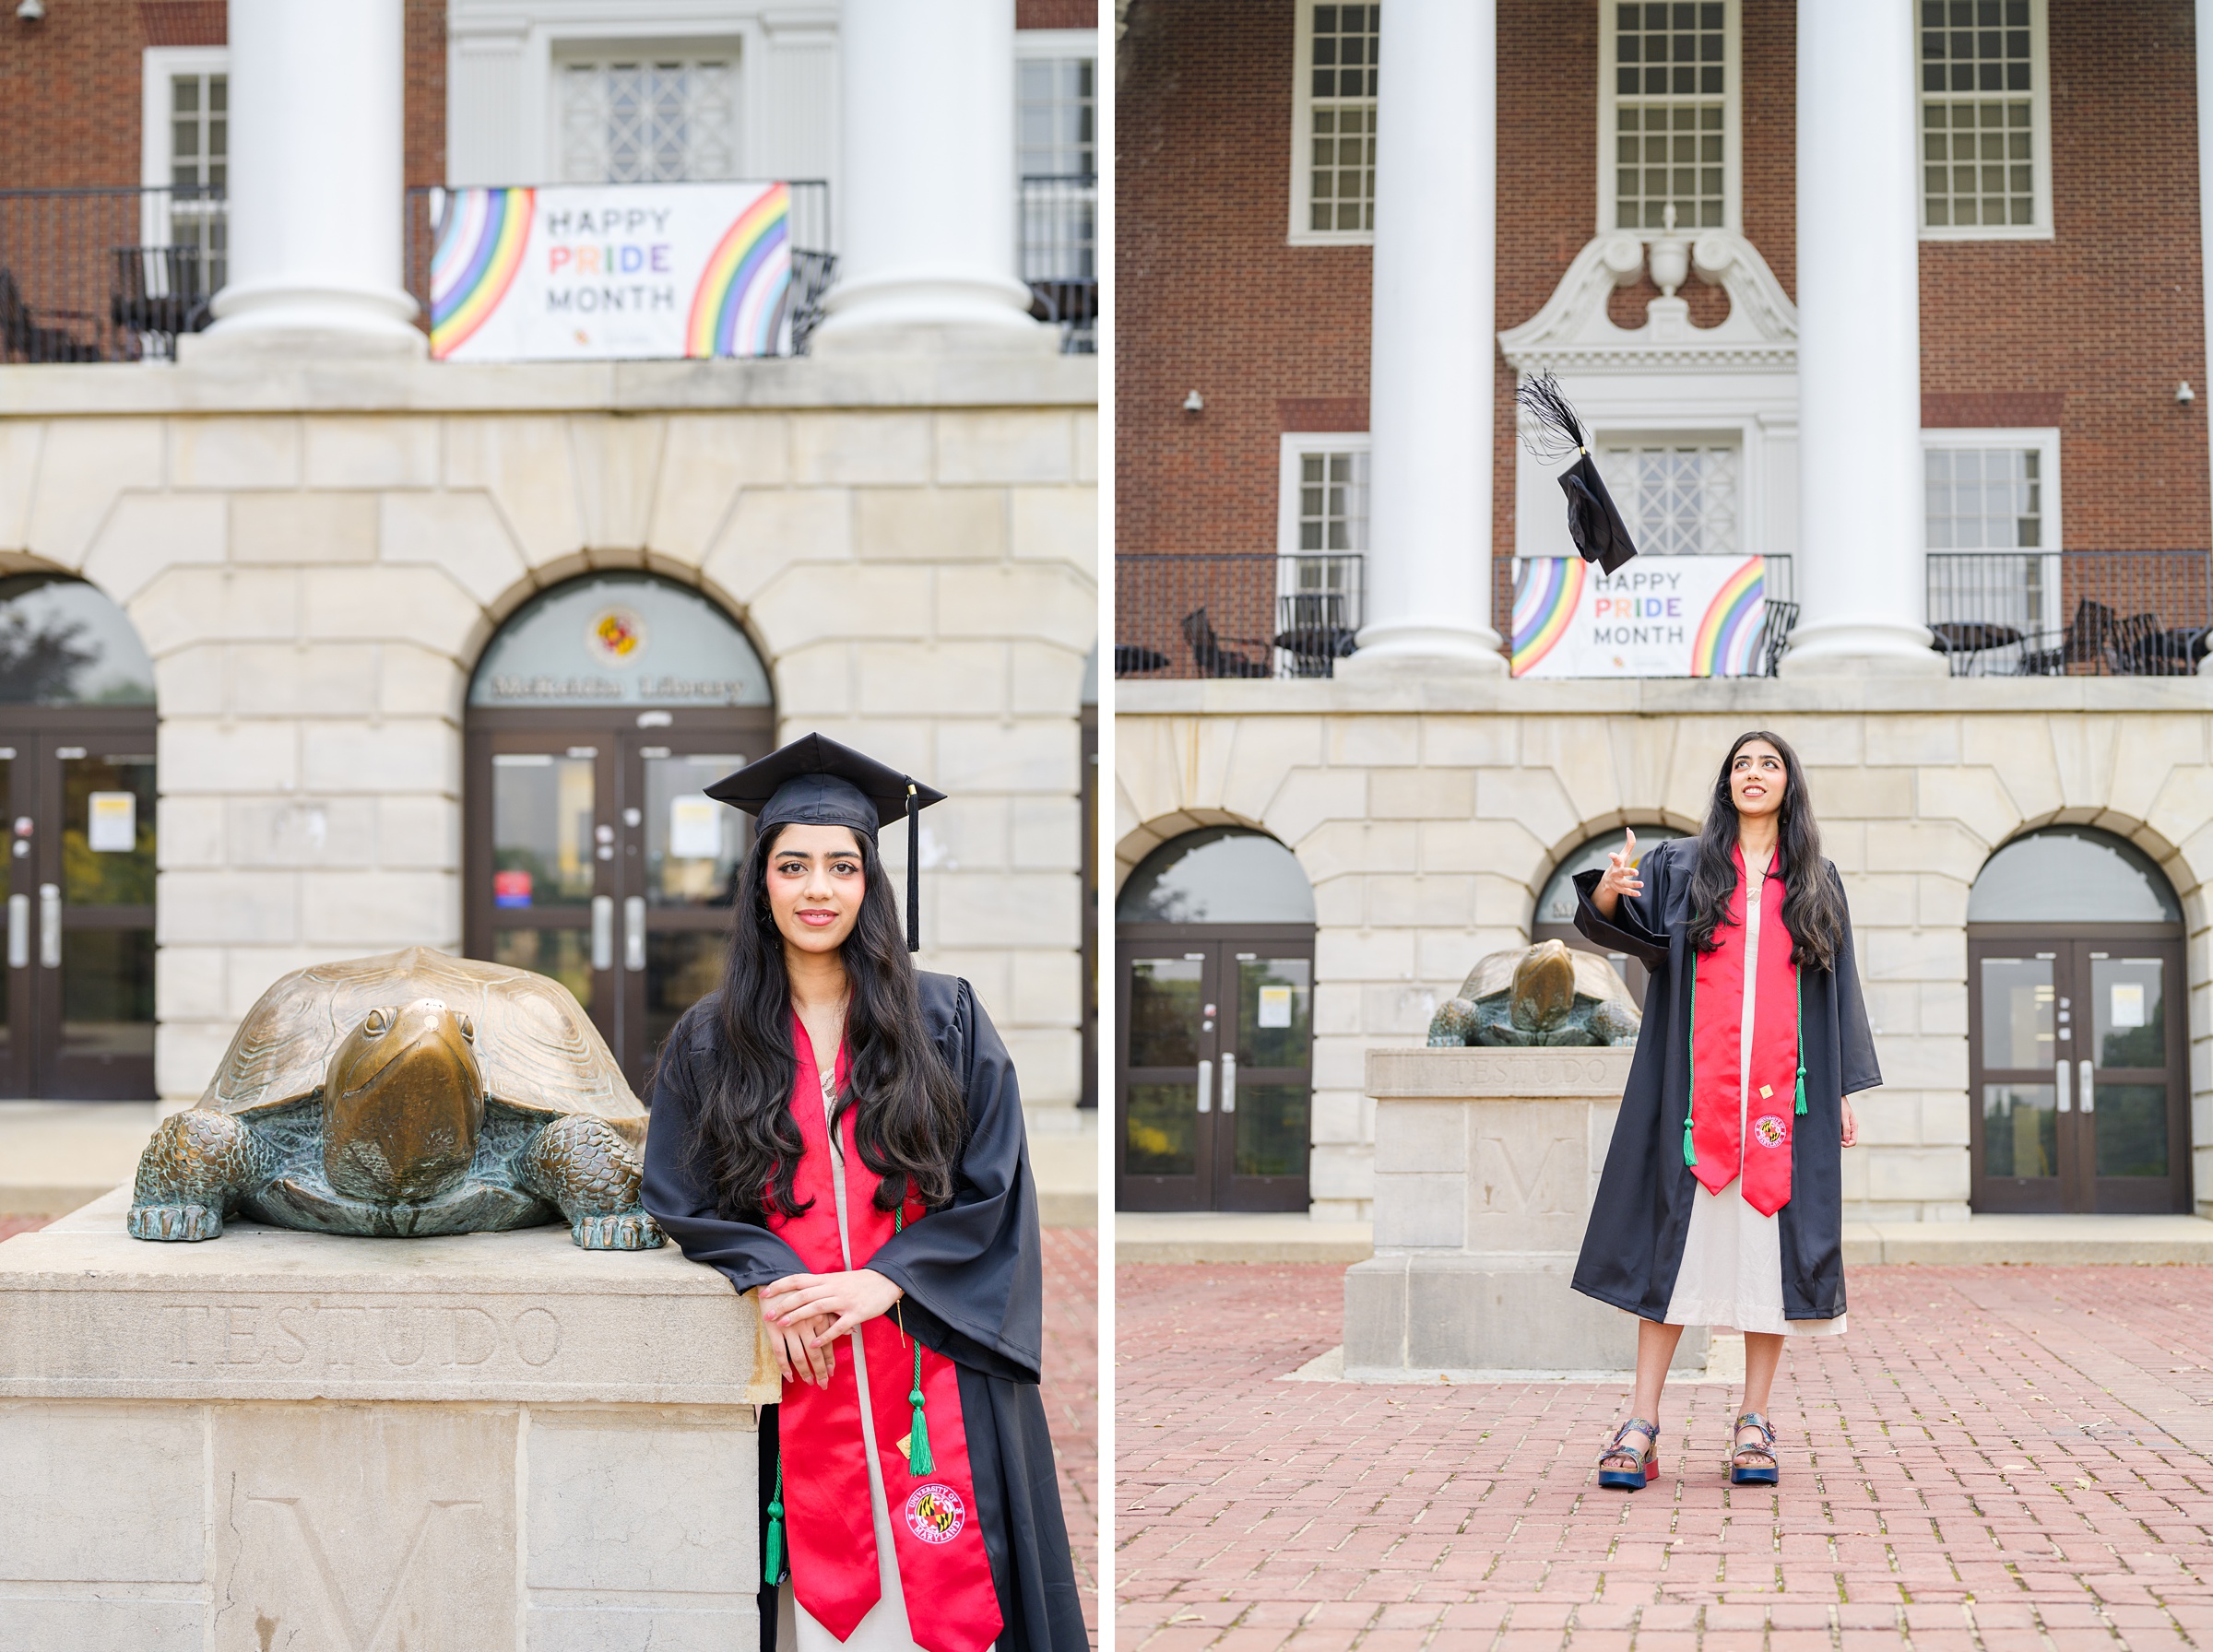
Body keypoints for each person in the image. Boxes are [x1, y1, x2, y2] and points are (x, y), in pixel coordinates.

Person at [642, 732, 1086, 1652]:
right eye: (794, 864)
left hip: (930, 1362)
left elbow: (996, 1181)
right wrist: (770, 1275)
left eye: (841, 866)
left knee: (953, 1598)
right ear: (760, 883)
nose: (817, 889)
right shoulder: (710, 1040)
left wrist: (887, 1279)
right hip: (797, 1369)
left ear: (869, 882)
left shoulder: (946, 1018)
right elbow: (677, 1190)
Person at [1570, 730, 1879, 1490]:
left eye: (1768, 764)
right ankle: (1641, 1423)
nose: (1753, 774)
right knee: (1670, 1252)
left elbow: (1839, 991)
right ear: (1726, 783)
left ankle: (1753, 1422)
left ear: (1789, 785)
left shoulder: (1817, 880)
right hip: (1692, 1096)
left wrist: (1839, 1087)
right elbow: (1621, 928)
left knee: (1766, 1258)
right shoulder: (1683, 866)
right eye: (1742, 764)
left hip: (1784, 1103)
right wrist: (1611, 887)